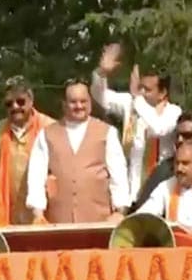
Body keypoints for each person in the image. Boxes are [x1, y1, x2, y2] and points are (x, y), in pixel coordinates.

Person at [26, 78, 130, 223]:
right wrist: (37, 213)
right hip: (58, 221)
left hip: (100, 220)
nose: (79, 106)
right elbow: (36, 175)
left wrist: (120, 211)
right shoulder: (46, 134)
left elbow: (118, 174)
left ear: (90, 102)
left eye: (83, 101)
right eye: (73, 102)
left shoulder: (108, 132)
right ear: (64, 104)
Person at [90, 44, 182, 201]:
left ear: (163, 93)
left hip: (161, 193)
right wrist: (102, 72)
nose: (142, 93)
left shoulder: (173, 112)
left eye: (147, 90)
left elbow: (158, 129)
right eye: (140, 88)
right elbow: (101, 97)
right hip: (130, 194)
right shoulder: (130, 103)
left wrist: (137, 98)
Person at [0, 77, 55, 224]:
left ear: (31, 101)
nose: (15, 107)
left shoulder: (49, 127)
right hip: (9, 212)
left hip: (46, 213)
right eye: (9, 104)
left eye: (20, 101)